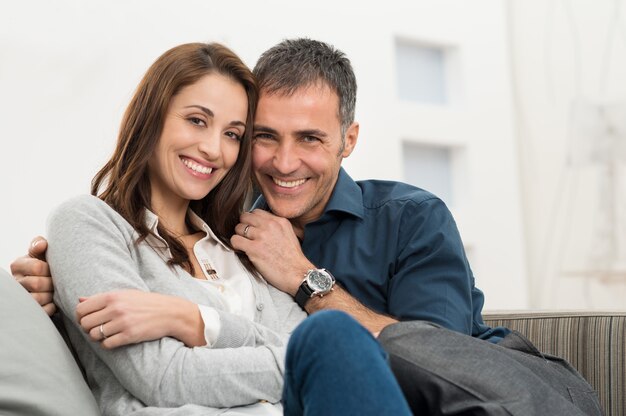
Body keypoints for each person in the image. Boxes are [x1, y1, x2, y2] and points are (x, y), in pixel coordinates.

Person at [12, 39, 601, 415]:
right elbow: (160, 367)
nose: (283, 162)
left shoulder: (409, 218)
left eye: (310, 139)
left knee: (334, 341)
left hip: (441, 400)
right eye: (263, 136)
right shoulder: (232, 223)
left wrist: (300, 280)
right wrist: (57, 282)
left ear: (349, 141)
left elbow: (428, 366)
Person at [15, 41, 411, 416]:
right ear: (151, 117)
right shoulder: (87, 223)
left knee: (334, 335)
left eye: (233, 134)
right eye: (196, 120)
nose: (213, 149)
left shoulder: (246, 242)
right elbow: (161, 376)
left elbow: (308, 347)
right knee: (337, 337)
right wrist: (310, 365)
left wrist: (195, 321)